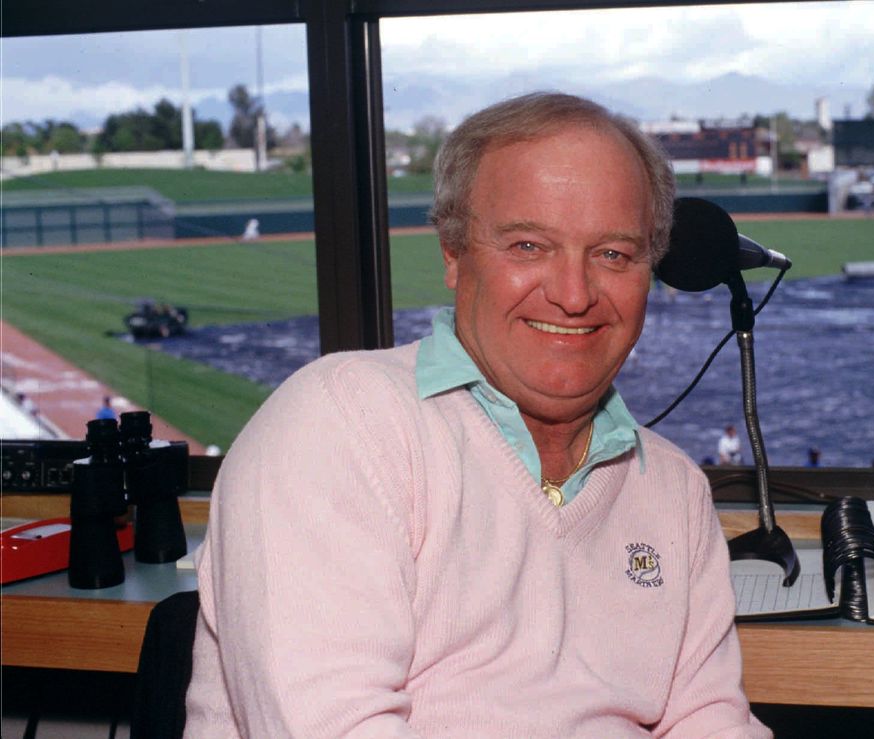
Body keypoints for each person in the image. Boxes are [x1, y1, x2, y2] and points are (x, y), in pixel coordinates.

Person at [185, 92, 768, 737]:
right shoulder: (338, 424)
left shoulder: (675, 489)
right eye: (527, 246)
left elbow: (712, 723)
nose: (573, 295)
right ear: (453, 255)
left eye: (613, 254)